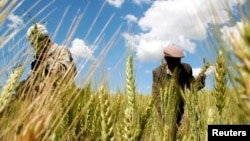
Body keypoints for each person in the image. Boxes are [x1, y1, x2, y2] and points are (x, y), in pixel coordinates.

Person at [16, 23, 77, 99]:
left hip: (59, 102)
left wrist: (47, 60)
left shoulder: (61, 50)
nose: (33, 46)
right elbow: (32, 85)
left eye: (35, 42)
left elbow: (68, 73)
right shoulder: (38, 59)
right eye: (31, 43)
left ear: (44, 38)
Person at [152, 45, 206, 125]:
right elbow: (156, 94)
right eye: (173, 59)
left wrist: (200, 80)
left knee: (177, 131)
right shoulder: (158, 72)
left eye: (179, 59)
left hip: (179, 109)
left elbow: (193, 87)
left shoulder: (186, 69)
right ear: (166, 59)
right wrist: (164, 113)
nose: (177, 62)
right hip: (164, 109)